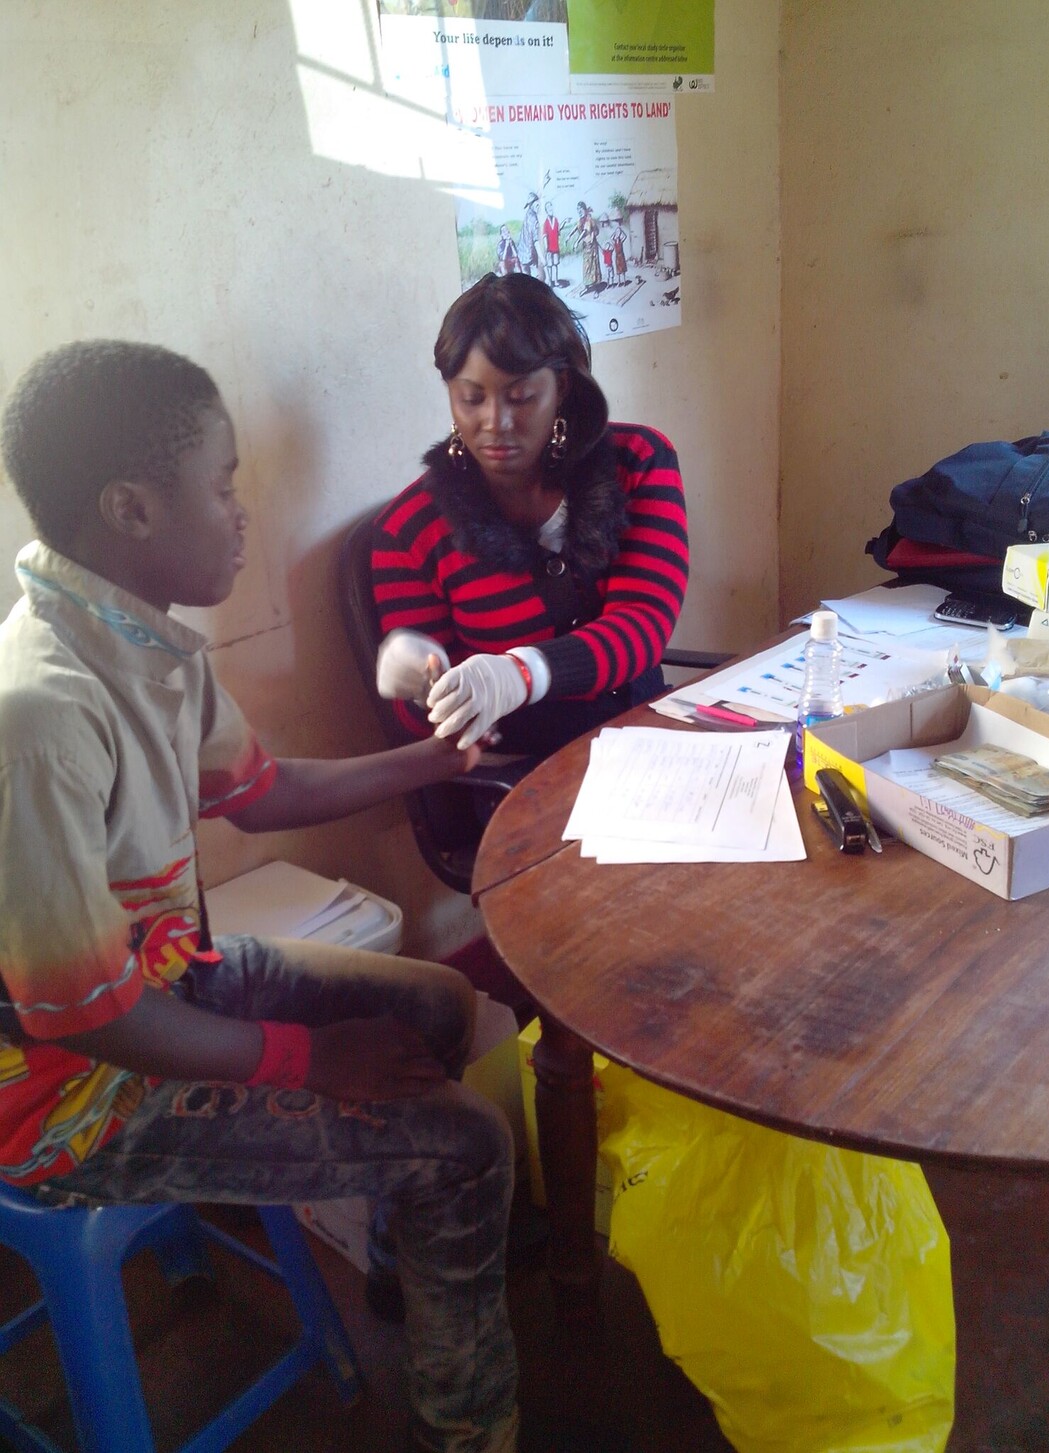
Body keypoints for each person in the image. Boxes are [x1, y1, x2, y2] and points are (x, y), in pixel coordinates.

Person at [0, 340, 518, 1453]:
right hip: (75, 1096)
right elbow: (82, 1016)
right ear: (132, 509)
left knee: (436, 1005)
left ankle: (409, 1268)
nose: (244, 511)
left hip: (163, 980)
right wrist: (307, 1061)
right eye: (225, 484)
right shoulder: (40, 717)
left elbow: (261, 792)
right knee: (469, 1141)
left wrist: (427, 762)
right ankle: (470, 1431)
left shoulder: (145, 644)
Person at [371, 272, 689, 758]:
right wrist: (423, 688)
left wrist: (522, 672)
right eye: (471, 398)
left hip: (643, 742)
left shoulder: (639, 461)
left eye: (520, 397)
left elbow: (642, 623)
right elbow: (427, 728)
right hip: (523, 777)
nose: (495, 422)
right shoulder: (409, 532)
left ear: (561, 386)